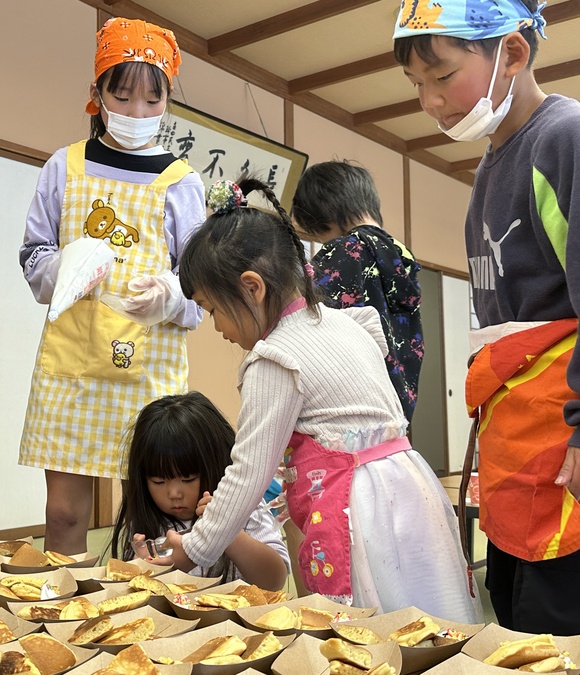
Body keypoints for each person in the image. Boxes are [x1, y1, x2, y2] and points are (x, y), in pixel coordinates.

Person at [161, 177, 481, 622]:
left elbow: (248, 471)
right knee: (428, 620)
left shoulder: (274, 359)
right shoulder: (349, 324)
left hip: (357, 511)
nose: (216, 327)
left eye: (213, 309)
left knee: (369, 633)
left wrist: (194, 548)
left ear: (252, 288)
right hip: (411, 490)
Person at [394, 0, 580, 634]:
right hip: (511, 445)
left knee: (553, 627)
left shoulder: (566, 138)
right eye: (417, 85)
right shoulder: (486, 174)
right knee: (510, 617)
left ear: (515, 53)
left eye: (442, 76)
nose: (429, 100)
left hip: (561, 441)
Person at [18, 17, 206, 554]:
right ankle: (63, 616)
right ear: (96, 93)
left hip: (149, 364)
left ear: (169, 99)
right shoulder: (65, 166)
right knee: (63, 514)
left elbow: (197, 283)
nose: (136, 113)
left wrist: (169, 296)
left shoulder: (180, 180)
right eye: (121, 96)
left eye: (152, 99)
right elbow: (33, 258)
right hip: (72, 360)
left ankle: (142, 623)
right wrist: (66, 270)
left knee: (152, 517)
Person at [109, 391, 289, 589]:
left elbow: (275, 581)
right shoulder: (150, 518)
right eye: (159, 482)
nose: (174, 494)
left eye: (188, 479)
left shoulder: (243, 506)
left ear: (218, 465)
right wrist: (140, 568)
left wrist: (224, 529)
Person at [292, 160, 423, 423]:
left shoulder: (343, 251)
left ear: (328, 213)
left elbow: (309, 321)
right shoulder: (401, 253)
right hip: (395, 399)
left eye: (322, 235)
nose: (324, 244)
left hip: (351, 402)